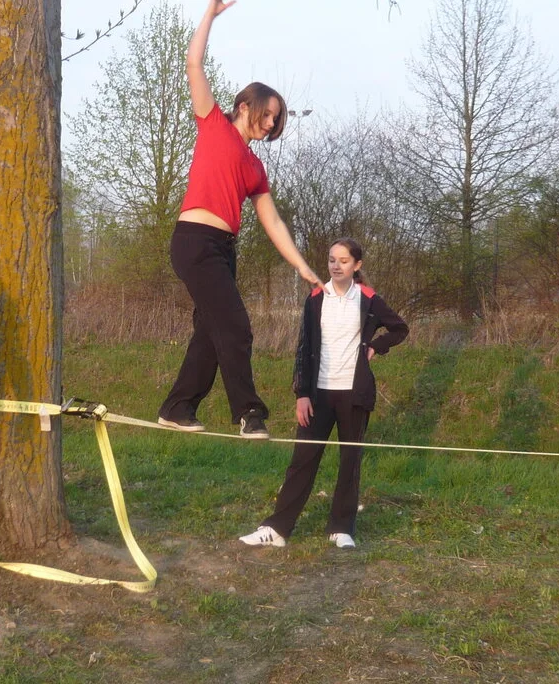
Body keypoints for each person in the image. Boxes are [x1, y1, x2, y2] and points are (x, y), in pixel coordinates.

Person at [157, 0, 324, 439]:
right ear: (244, 104)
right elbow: (193, 62)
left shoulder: (255, 168)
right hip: (193, 241)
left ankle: (177, 407)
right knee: (235, 324)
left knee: (211, 334)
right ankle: (250, 412)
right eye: (266, 114)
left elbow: (273, 224)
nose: (270, 125)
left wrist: (302, 266)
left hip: (223, 250)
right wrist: (210, 13)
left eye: (276, 120)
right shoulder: (212, 123)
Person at [240, 238, 408, 549]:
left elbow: (400, 328)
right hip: (317, 396)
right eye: (332, 259)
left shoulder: (369, 298)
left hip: (354, 395)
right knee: (302, 460)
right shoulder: (316, 298)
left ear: (356, 265)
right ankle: (277, 529)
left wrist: (375, 347)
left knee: (350, 461)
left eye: (344, 261)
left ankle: (341, 528)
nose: (336, 265)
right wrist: (301, 394)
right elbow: (303, 349)